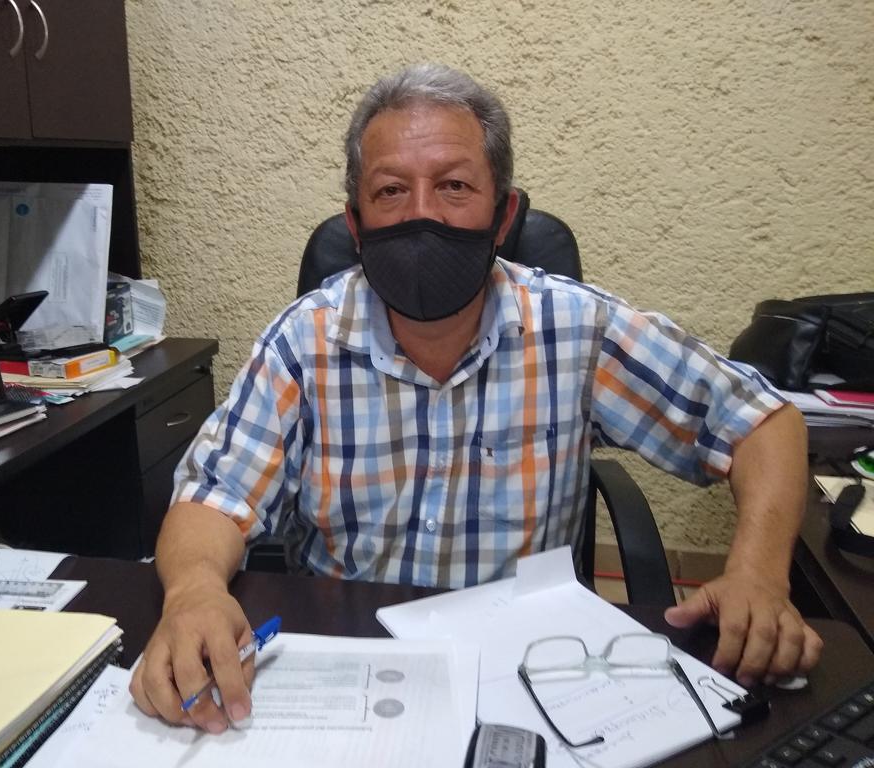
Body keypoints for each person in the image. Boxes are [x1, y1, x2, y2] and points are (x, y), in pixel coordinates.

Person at [131, 64, 822, 733]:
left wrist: (758, 575)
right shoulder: (303, 341)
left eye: (454, 186)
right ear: (355, 222)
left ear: (503, 214)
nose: (421, 214)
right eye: (391, 191)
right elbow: (213, 497)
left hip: (526, 666)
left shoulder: (577, 329)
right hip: (349, 663)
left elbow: (761, 420)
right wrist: (194, 593)